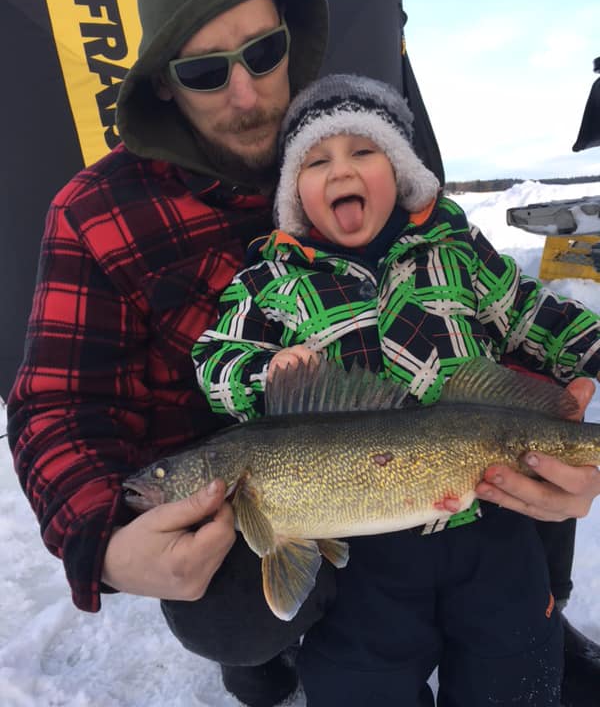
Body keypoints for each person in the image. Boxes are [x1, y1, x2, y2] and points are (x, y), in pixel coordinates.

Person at [5, 0, 600, 707]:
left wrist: (560, 423)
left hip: (408, 441)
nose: (248, 92)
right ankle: (268, 657)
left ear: (290, 40)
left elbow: (473, 306)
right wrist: (104, 545)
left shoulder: (363, 144)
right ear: (161, 82)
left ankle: (530, 614)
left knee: (517, 485)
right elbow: (56, 402)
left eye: (262, 53)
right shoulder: (98, 211)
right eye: (207, 71)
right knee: (234, 614)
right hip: (239, 478)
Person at [191, 73, 600, 706]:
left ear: (401, 169)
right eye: (316, 160)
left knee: (515, 671)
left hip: (491, 519)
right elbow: (215, 357)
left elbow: (533, 316)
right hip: (363, 554)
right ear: (294, 189)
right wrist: (261, 372)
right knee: (359, 683)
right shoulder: (270, 279)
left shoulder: (456, 252)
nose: (340, 170)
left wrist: (586, 363)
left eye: (364, 152)